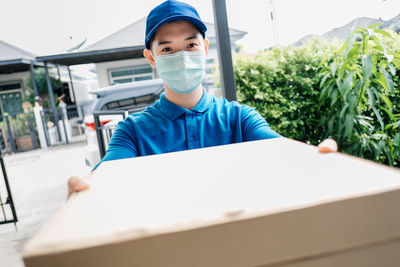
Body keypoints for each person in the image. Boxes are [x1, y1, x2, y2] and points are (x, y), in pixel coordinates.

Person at [68, 0, 337, 197]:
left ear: (205, 48)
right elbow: (105, 177)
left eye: (191, 45)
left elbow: (283, 152)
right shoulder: (133, 132)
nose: (181, 55)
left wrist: (315, 157)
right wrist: (82, 192)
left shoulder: (239, 119)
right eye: (168, 49)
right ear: (151, 58)